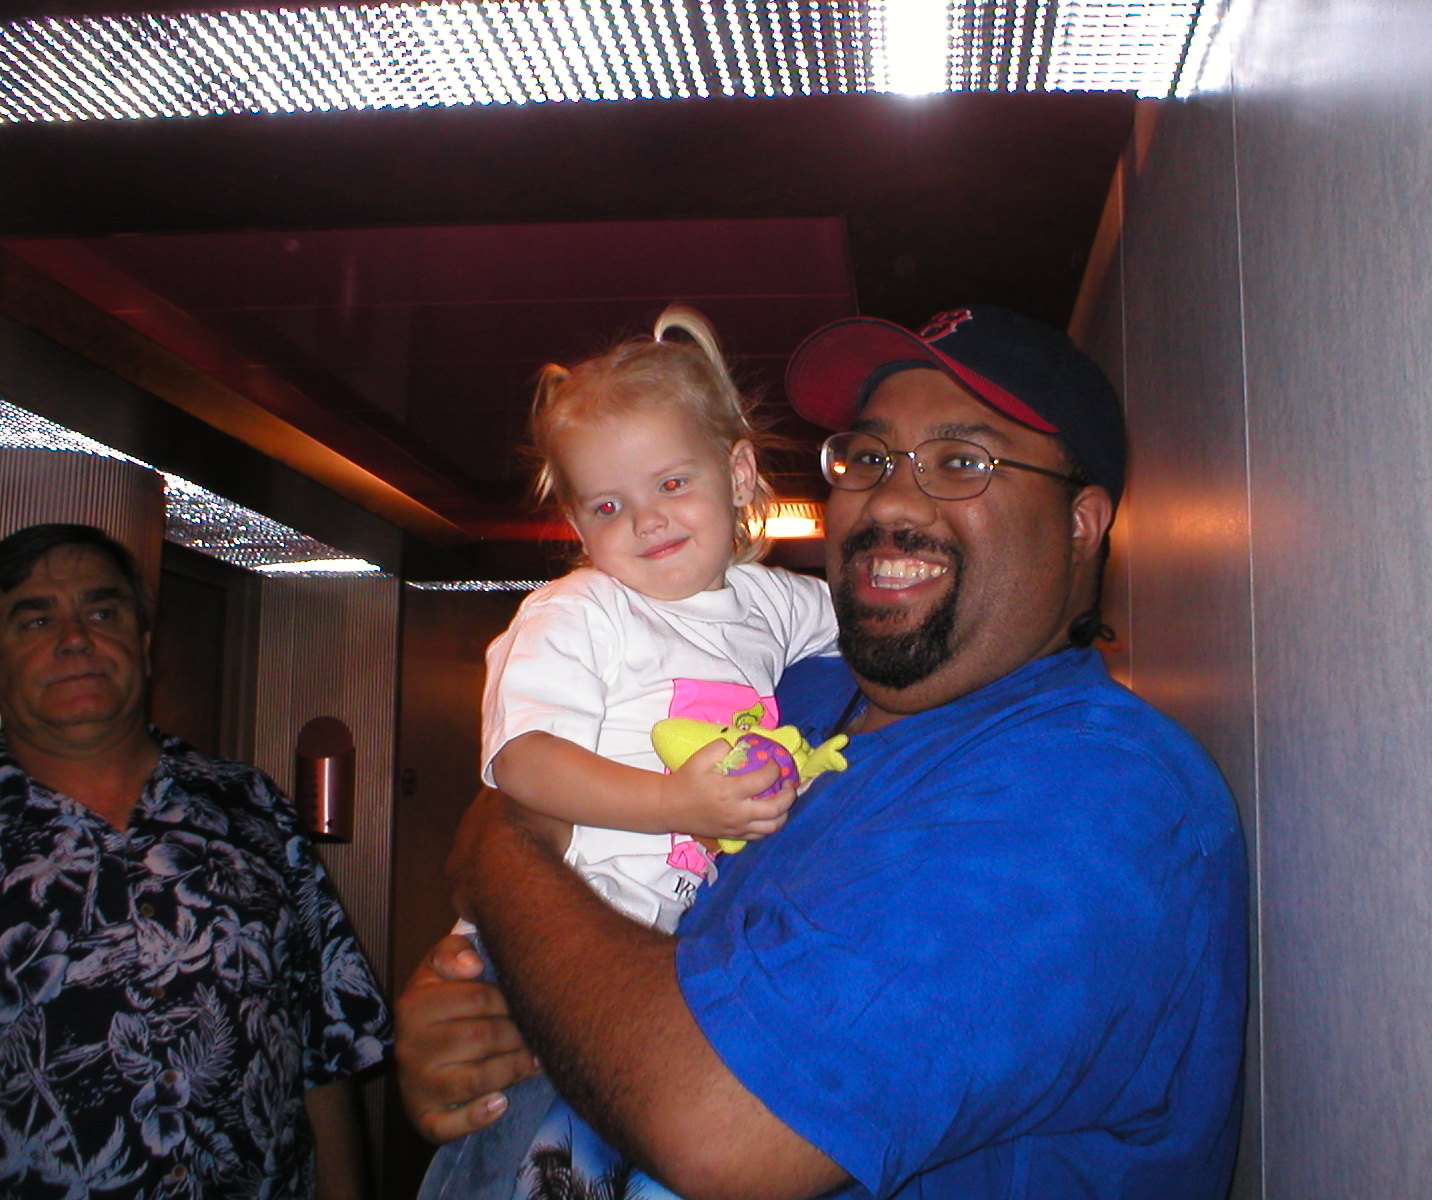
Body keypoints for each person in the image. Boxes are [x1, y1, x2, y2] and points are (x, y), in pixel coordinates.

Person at [395, 305, 1248, 1200]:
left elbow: (718, 1130)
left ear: (1081, 522)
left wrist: (500, 858)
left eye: (962, 462)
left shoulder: (1097, 799)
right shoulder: (800, 691)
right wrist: (474, 1015)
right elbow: (558, 841)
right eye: (868, 458)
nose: (890, 499)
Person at [418, 307, 838, 1198]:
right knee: (512, 1161)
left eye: (672, 483)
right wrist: (673, 805)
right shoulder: (581, 612)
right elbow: (523, 761)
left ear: (738, 474)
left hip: (652, 973)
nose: (647, 522)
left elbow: (864, 633)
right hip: (541, 961)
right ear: (577, 521)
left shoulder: (769, 602)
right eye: (609, 506)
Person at [0, 523, 390, 1199]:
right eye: (36, 620)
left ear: (145, 645)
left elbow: (324, 1043)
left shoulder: (251, 807)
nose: (75, 639)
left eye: (103, 613)